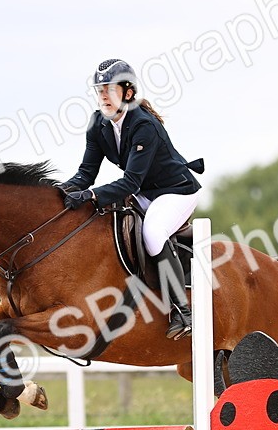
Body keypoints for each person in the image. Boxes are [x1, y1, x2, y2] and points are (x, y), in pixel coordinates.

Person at [58, 59, 204, 340]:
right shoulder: (98, 124)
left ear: (127, 92)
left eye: (110, 90)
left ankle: (183, 310)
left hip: (175, 191)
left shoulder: (143, 125)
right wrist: (59, 193)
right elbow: (86, 173)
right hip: (144, 192)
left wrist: (89, 196)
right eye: (100, 90)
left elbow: (130, 182)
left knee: (152, 232)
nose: (103, 96)